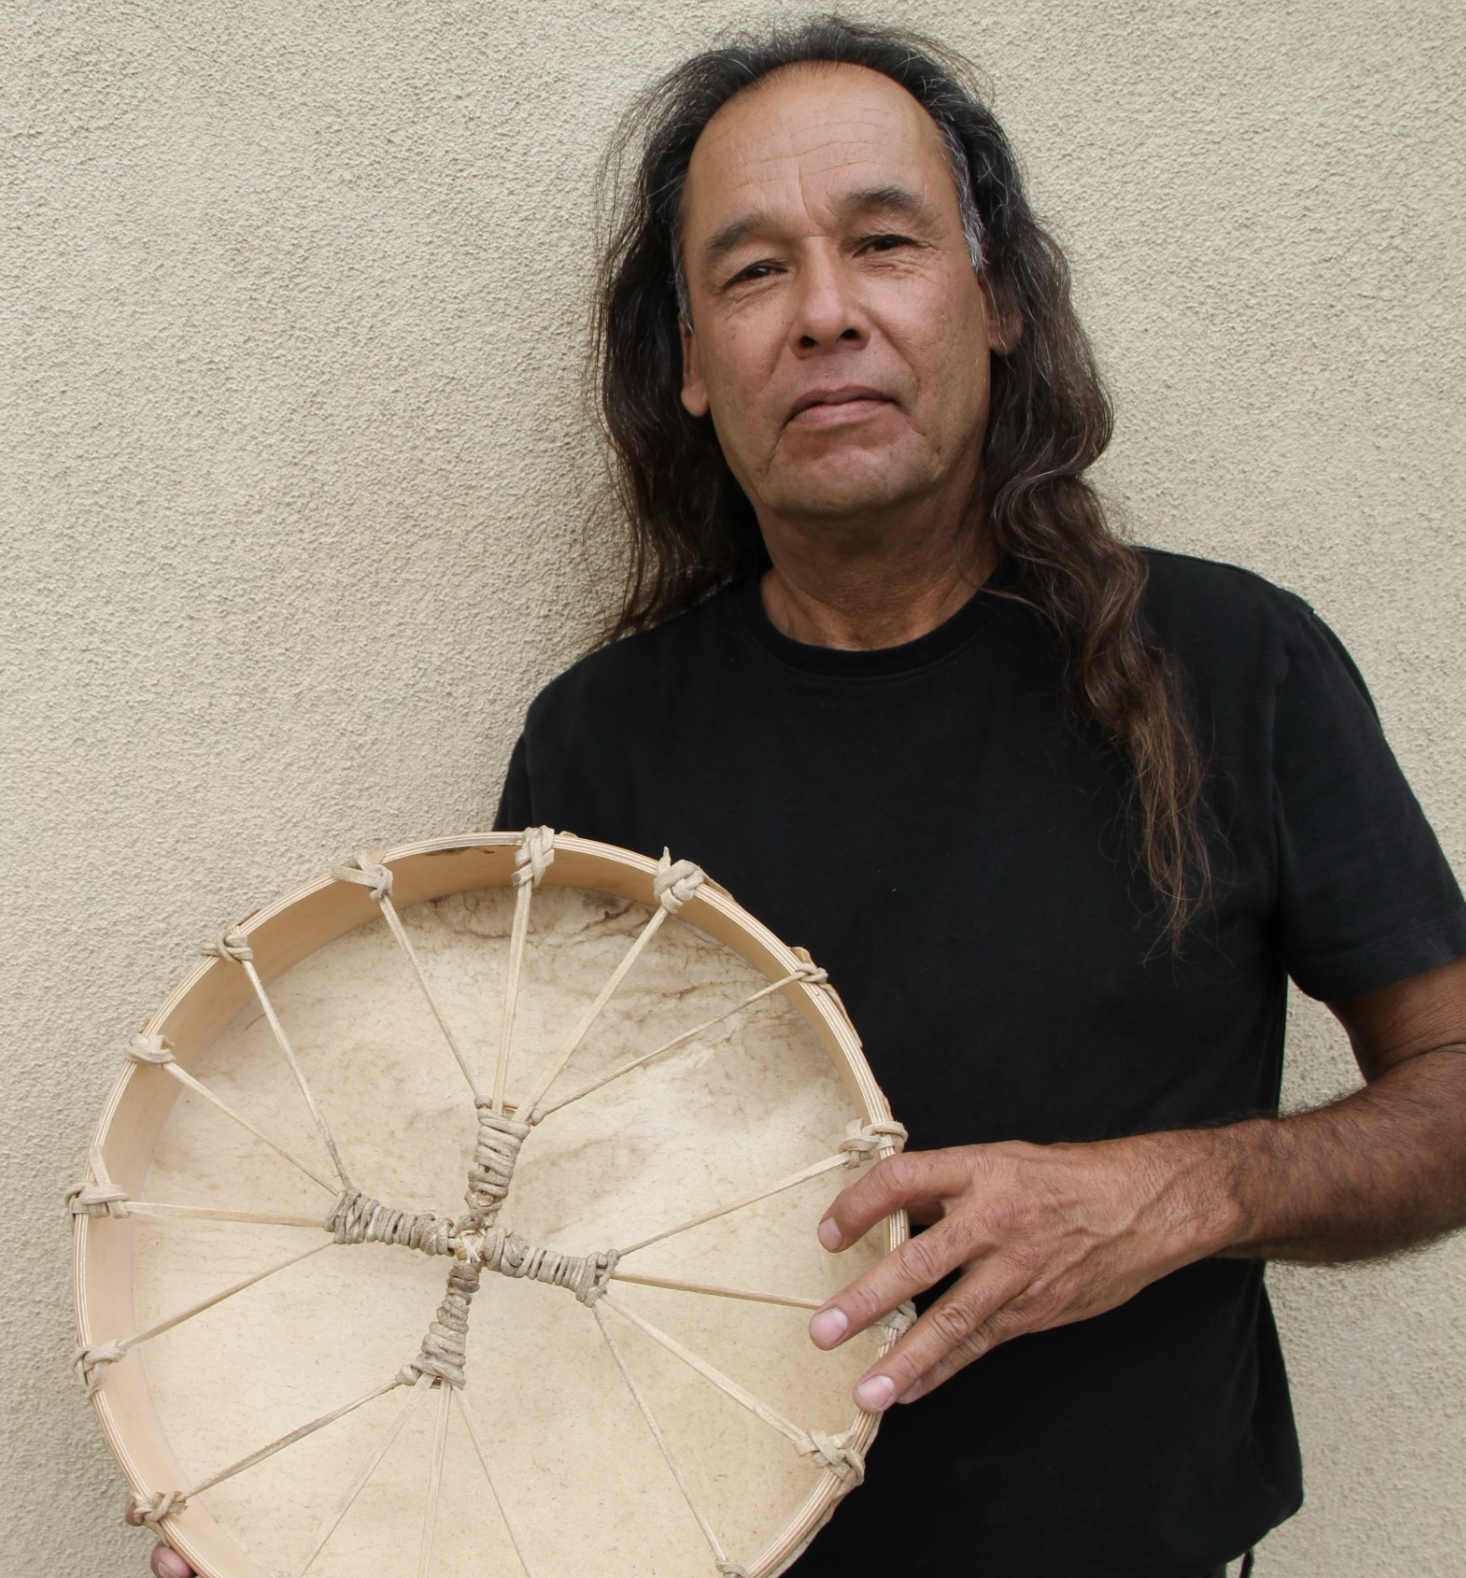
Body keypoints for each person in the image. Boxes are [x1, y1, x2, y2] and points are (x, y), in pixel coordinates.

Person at [139, 17, 1466, 1578]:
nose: (825, 312)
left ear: (999, 302)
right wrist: (308, 1506)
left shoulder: (1231, 664)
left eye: (883, 243)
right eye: (754, 270)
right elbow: (492, 1225)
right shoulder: (598, 745)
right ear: (693, 366)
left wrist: (1179, 1191)